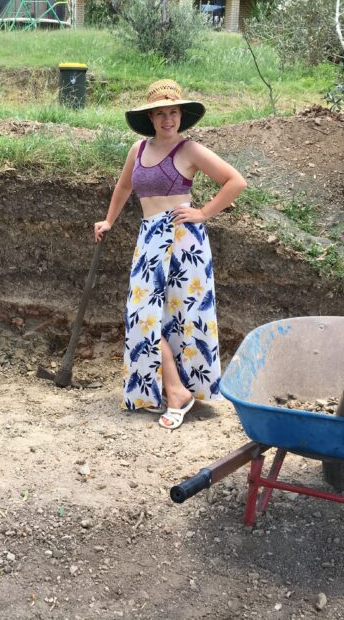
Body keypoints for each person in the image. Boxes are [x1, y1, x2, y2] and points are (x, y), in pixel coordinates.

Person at [94, 79, 247, 430]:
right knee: (142, 314)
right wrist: (108, 220)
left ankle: (179, 391)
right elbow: (124, 186)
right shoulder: (139, 149)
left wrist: (204, 213)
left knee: (183, 316)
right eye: (160, 113)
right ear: (150, 117)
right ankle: (175, 389)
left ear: (181, 115)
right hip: (149, 237)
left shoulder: (189, 150)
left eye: (173, 112)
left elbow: (235, 181)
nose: (167, 120)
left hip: (183, 240)